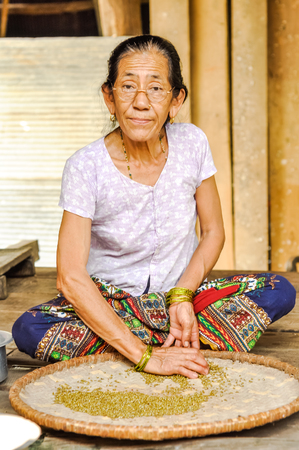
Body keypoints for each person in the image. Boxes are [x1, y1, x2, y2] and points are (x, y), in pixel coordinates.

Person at [12, 35, 296, 379]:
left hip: (183, 299)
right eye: (128, 86)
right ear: (110, 97)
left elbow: (213, 232)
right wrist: (147, 357)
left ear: (176, 100)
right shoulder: (85, 167)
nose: (141, 102)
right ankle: (163, 347)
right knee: (28, 329)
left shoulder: (192, 143)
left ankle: (128, 346)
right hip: (114, 303)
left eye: (156, 89)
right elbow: (70, 278)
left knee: (278, 290)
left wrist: (181, 296)